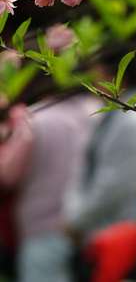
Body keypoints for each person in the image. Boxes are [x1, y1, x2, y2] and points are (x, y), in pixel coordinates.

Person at [63, 61, 136, 254]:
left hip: (117, 235)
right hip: (100, 231)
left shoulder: (134, 120)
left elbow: (113, 186)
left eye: (96, 68)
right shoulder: (114, 112)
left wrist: (76, 220)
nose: (91, 76)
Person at [0, 96, 96, 282]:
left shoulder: (33, 118)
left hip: (40, 226)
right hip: (83, 225)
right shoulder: (91, 111)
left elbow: (7, 174)